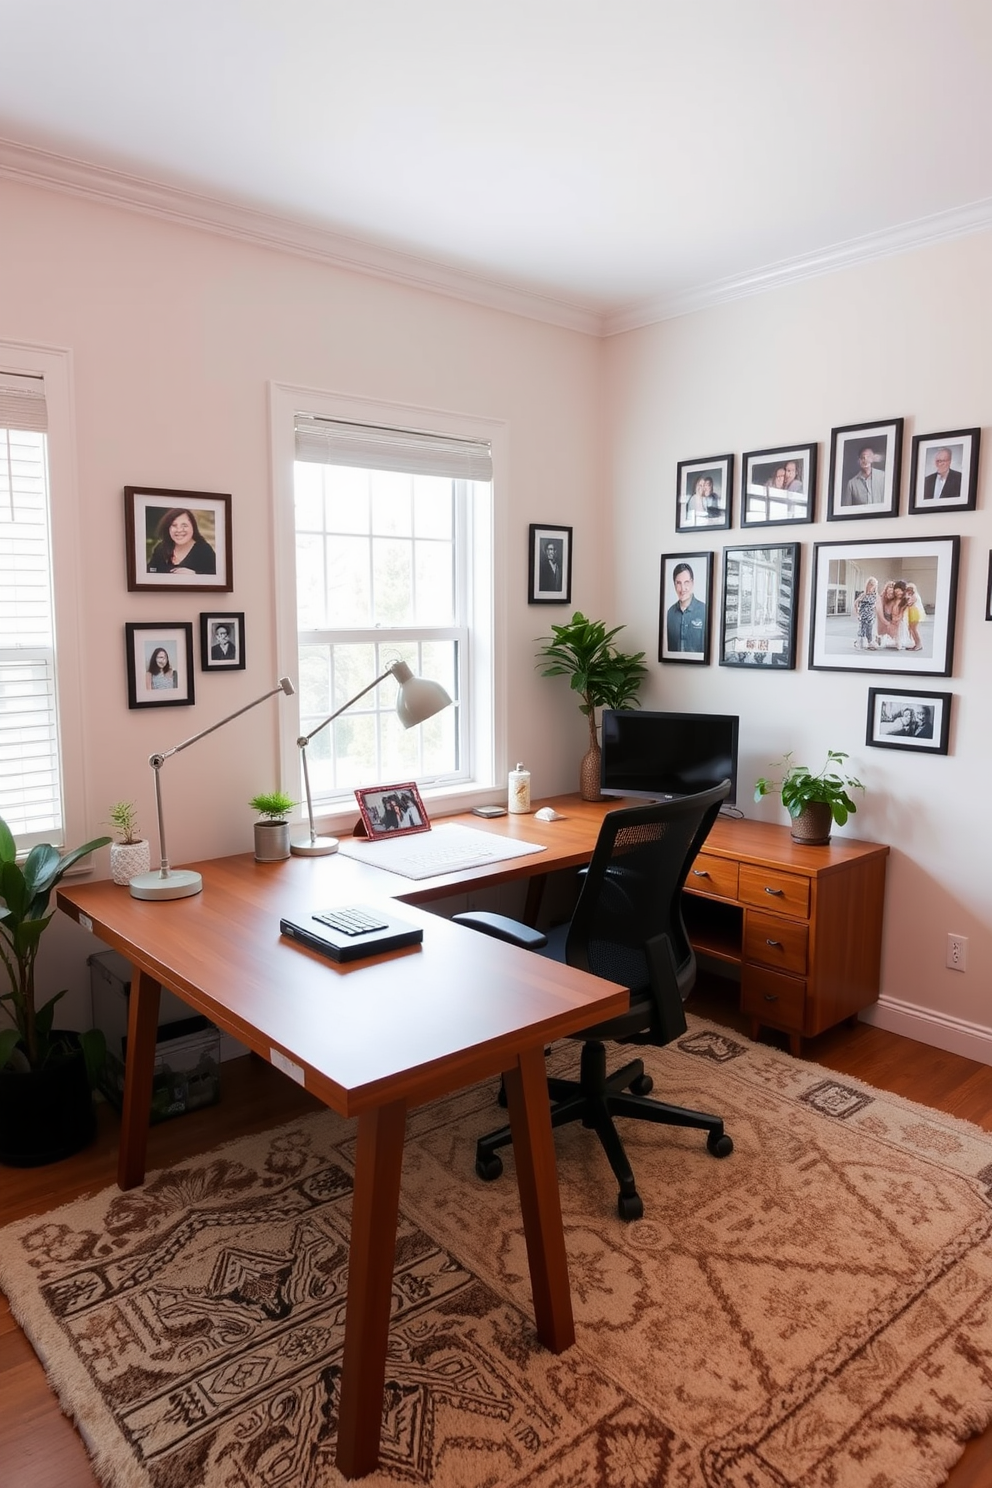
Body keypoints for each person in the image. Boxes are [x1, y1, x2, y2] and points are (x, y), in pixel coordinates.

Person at [147, 507, 217, 574]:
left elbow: (217, 577)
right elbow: (150, 571)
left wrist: (195, 574)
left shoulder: (204, 550)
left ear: (193, 527)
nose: (179, 530)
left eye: (184, 525)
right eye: (174, 525)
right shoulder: (161, 548)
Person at [666, 561, 707, 652]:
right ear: (674, 584)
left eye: (686, 582)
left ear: (692, 583)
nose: (683, 588)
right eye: (678, 583)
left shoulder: (704, 611)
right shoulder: (670, 613)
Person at [875, 580, 909, 649]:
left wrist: (896, 620)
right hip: (883, 620)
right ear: (885, 592)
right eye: (889, 593)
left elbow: (901, 611)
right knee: (884, 623)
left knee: (898, 625)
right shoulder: (880, 599)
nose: (890, 595)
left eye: (892, 593)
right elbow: (880, 616)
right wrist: (888, 624)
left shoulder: (897, 600)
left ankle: (896, 639)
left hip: (894, 620)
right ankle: (878, 636)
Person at [854, 576, 878, 650]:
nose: (872, 587)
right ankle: (860, 642)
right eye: (871, 585)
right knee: (862, 628)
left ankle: (870, 642)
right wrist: (857, 613)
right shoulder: (863, 595)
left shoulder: (875, 595)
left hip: (870, 615)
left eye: (874, 585)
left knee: (869, 628)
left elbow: (877, 606)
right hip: (863, 614)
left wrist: (875, 613)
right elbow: (856, 603)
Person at [904, 583, 925, 651]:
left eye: (910, 590)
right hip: (911, 612)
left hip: (915, 612)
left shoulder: (915, 596)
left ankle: (919, 644)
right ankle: (916, 643)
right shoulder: (910, 595)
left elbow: (909, 603)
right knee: (911, 629)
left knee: (914, 629)